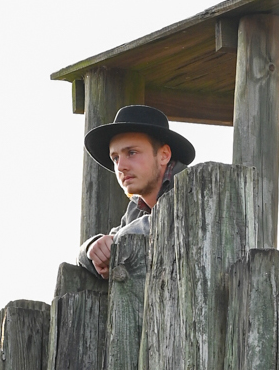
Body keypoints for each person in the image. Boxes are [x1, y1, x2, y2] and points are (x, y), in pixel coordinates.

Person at [77, 104, 196, 279]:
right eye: (115, 158)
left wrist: (117, 243)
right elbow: (90, 253)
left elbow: (172, 221)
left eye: (132, 153)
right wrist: (92, 249)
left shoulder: (194, 188)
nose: (121, 167)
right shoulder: (135, 209)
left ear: (164, 155)